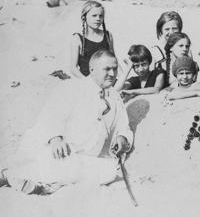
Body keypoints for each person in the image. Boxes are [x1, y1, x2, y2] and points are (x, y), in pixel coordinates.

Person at [0, 50, 132, 195]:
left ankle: (44, 183)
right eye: (107, 69)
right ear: (92, 70)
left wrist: (122, 138)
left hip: (85, 158)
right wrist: (56, 139)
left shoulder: (115, 97)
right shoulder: (72, 87)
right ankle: (12, 174)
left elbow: (123, 126)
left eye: (114, 68)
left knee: (109, 172)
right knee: (54, 161)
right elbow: (51, 115)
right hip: (59, 151)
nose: (113, 74)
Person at [70, 1, 115, 78]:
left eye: (101, 16)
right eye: (94, 16)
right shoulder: (78, 38)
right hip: (86, 80)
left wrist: (122, 78)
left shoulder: (107, 35)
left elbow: (114, 61)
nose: (98, 19)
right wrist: (86, 83)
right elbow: (73, 68)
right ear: (84, 17)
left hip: (106, 79)